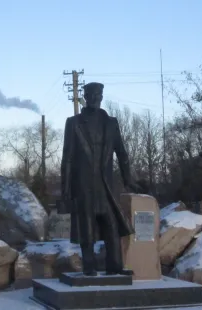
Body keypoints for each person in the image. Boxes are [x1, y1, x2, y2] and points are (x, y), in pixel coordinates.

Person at [60, 82, 138, 276]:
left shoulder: (111, 123)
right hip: (83, 186)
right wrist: (66, 191)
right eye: (92, 94)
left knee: (111, 226)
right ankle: (89, 266)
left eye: (99, 95)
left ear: (102, 96)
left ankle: (115, 266)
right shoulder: (74, 123)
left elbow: (122, 153)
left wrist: (129, 180)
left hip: (105, 186)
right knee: (86, 227)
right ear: (85, 96)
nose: (96, 98)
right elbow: (67, 159)